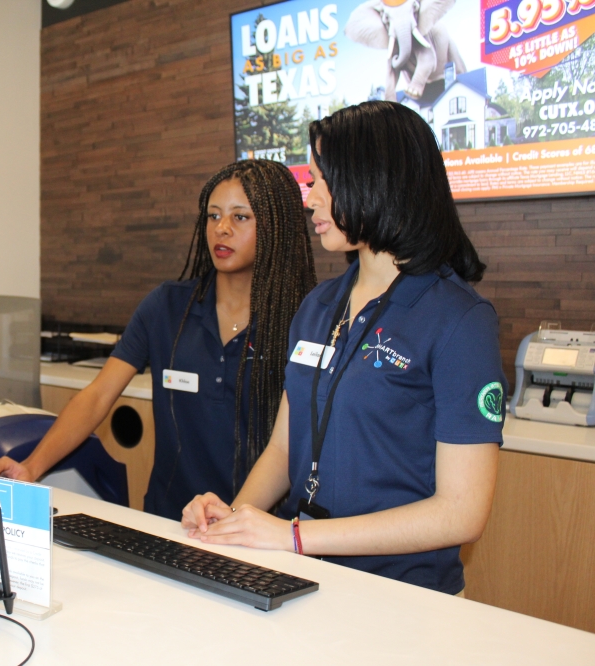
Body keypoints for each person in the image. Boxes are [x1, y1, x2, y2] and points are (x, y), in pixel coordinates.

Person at [181, 101, 506, 595]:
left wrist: (292, 536)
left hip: (405, 598)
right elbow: (285, 447)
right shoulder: (318, 306)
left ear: (373, 179)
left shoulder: (459, 320)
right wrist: (234, 520)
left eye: (319, 182)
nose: (310, 200)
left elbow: (462, 512)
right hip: (305, 578)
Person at [0, 160, 317, 519]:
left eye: (240, 217)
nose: (221, 230)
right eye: (213, 216)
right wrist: (30, 467)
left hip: (261, 527)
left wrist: (234, 517)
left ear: (277, 227)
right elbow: (97, 396)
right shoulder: (167, 307)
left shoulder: (307, 321)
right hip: (173, 521)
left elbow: (294, 445)